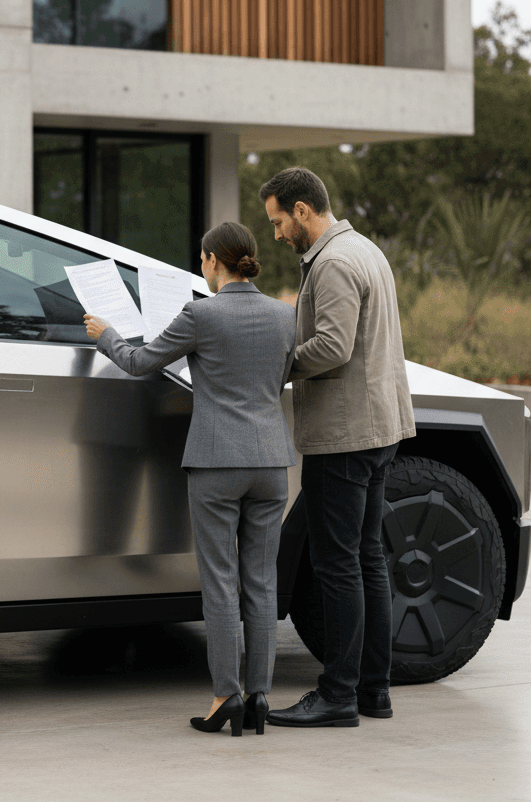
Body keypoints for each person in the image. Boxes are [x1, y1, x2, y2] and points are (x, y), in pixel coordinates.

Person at [84, 222, 296, 737]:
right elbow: (283, 375)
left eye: (202, 259)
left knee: (221, 583)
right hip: (271, 463)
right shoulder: (284, 315)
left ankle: (226, 696)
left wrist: (106, 334)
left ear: (212, 261)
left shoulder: (200, 313)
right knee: (262, 582)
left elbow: (139, 362)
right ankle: (261, 696)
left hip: (217, 463)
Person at [259, 167, 415, 729]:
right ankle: (374, 690)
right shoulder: (365, 250)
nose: (277, 233)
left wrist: (272, 366)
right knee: (367, 558)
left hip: (344, 436)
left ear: (302, 210)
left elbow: (332, 346)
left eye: (279, 221)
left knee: (337, 564)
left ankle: (337, 695)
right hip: (378, 430)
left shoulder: (334, 263)